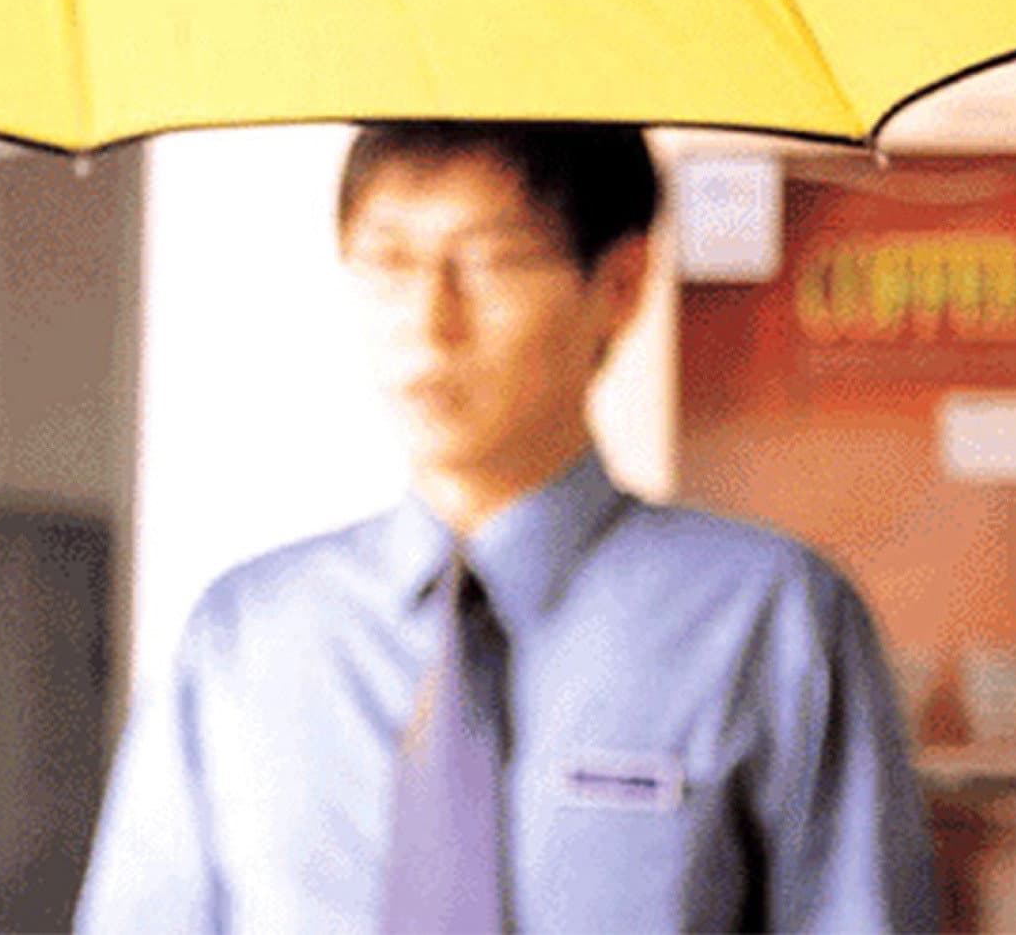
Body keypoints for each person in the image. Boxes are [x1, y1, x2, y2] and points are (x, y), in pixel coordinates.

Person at [76, 121, 935, 932]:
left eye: (493, 261)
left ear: (619, 285)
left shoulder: (767, 619)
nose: (430, 323)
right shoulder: (244, 639)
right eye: (388, 261)